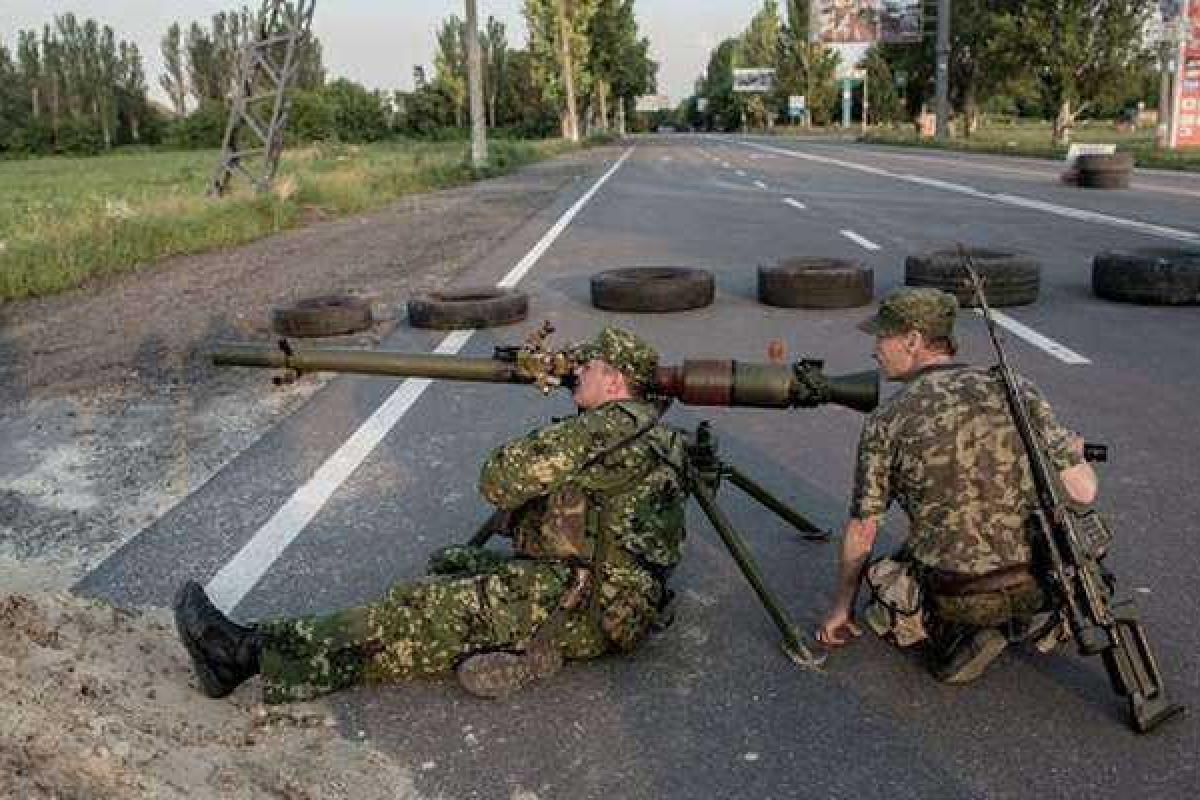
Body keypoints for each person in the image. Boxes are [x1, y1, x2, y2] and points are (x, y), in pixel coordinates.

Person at [175, 327, 690, 703]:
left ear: (616, 380)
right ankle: (493, 636)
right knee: (456, 562)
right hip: (613, 595)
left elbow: (500, 479)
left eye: (591, 366)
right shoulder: (651, 428)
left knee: (419, 612)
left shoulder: (607, 427)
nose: (578, 370)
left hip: (586, 604)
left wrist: (566, 419)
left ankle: (242, 655)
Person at [816, 288, 1099, 683]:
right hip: (1032, 582)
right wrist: (1076, 452)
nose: (875, 349)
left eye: (883, 337)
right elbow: (1084, 492)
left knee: (885, 579)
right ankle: (1032, 620)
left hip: (958, 596)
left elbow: (863, 530)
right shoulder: (1019, 391)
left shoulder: (886, 420)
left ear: (913, 341)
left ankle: (954, 634)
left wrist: (840, 608)